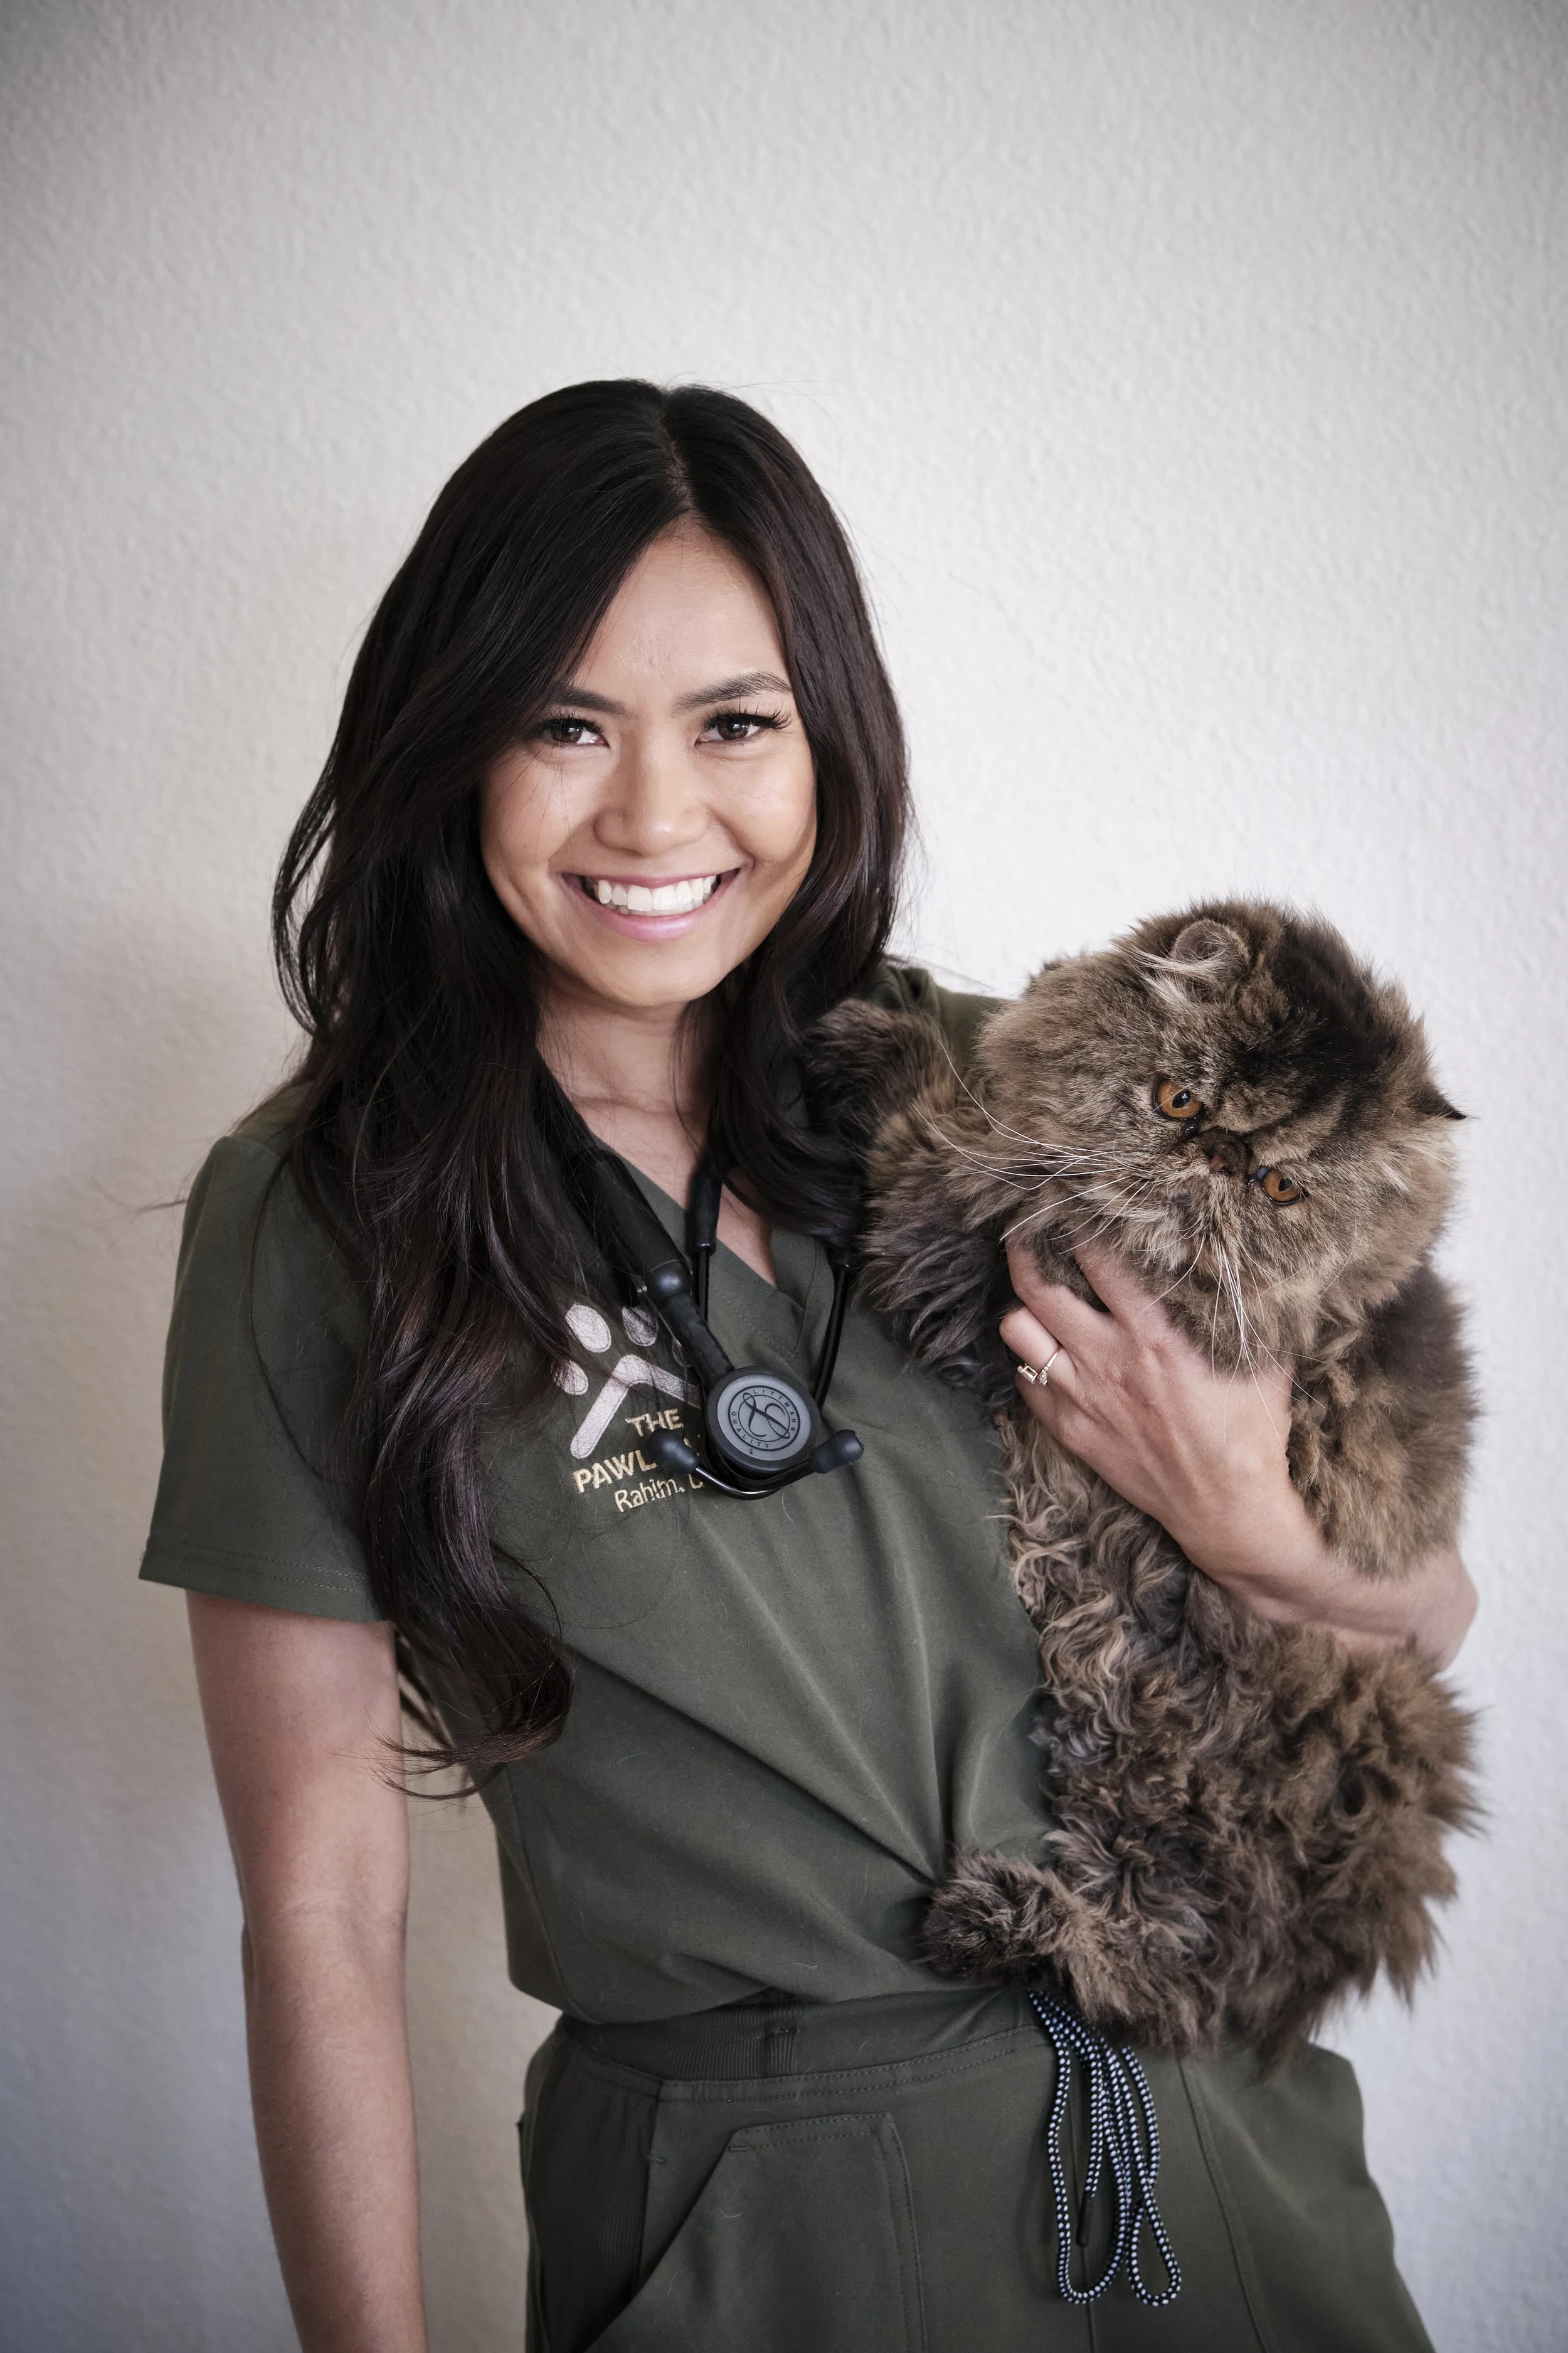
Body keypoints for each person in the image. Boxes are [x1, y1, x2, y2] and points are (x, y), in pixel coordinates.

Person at [140, 380, 1475, 2353]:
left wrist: (1252, 1525)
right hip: (752, 2219)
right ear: (453, 746)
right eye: (564, 726)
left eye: (734, 724)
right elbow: (322, 1906)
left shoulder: (1040, 1103)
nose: (652, 816)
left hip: (1214, 2169)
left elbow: (1428, 1614)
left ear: (827, 740)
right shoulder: (326, 1218)